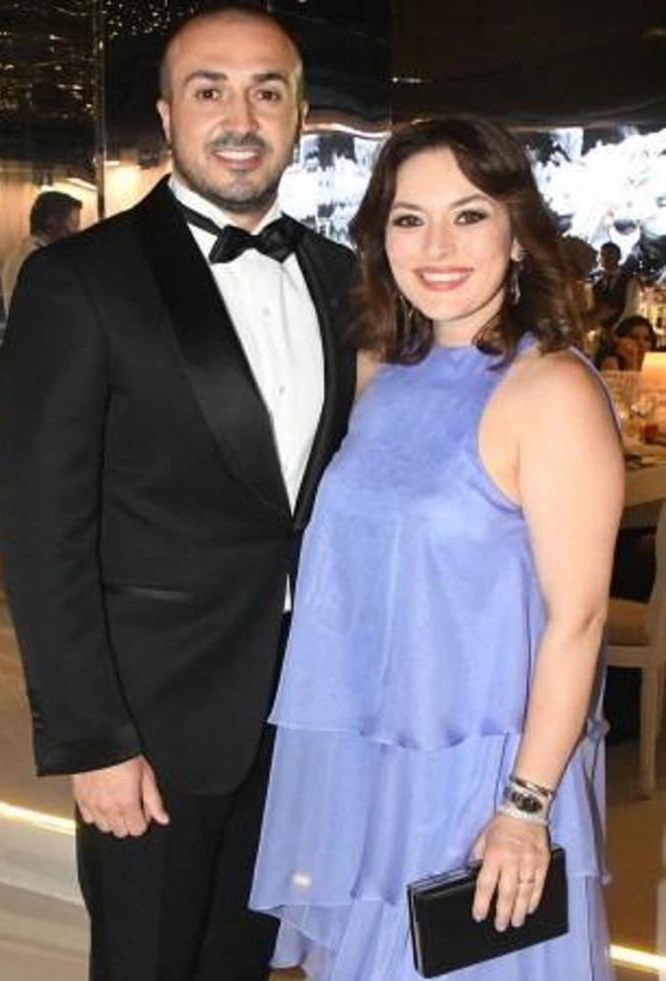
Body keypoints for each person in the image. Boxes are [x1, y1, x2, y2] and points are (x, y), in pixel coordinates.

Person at [0, 5, 355, 980]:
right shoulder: (80, 280)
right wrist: (93, 738)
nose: (239, 117)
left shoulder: (340, 277)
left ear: (300, 116)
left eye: (266, 91)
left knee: (242, 959)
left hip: (298, 712)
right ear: (166, 114)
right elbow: (39, 530)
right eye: (209, 90)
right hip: (150, 723)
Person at [251, 116, 624, 980]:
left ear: (517, 232)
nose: (438, 246)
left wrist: (524, 808)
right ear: (381, 238)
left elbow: (577, 620)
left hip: (484, 776)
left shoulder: (551, 388)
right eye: (410, 219)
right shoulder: (382, 367)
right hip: (376, 762)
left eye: (469, 214)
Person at [0, 190, 82, 312]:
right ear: (51, 223)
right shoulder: (37, 261)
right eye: (72, 226)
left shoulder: (22, 254)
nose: (76, 233)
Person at [591, 240, 641, 330]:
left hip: (622, 330)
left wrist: (616, 330)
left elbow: (631, 309)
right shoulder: (597, 285)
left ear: (619, 257)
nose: (606, 258)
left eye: (610, 253)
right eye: (603, 254)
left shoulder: (630, 280)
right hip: (602, 332)